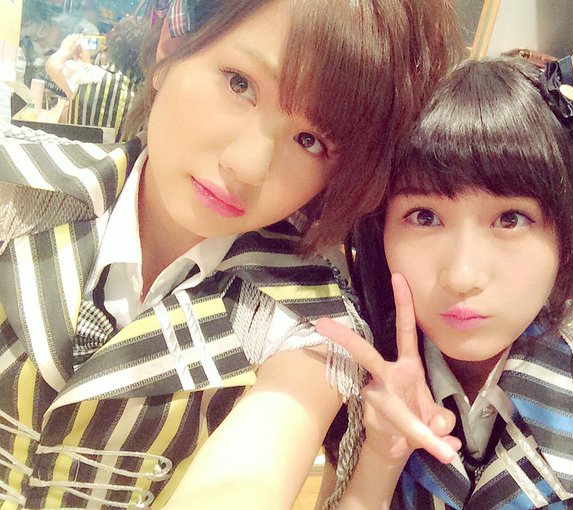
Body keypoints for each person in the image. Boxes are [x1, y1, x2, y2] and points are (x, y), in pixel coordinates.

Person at [0, 0, 462, 508]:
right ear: (173, 44)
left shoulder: (307, 320)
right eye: (240, 84)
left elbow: (248, 481)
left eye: (310, 140)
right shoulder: (17, 189)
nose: (249, 165)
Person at [317, 57, 573, 509]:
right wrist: (379, 459)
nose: (462, 276)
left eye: (511, 219)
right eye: (424, 217)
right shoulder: (353, 386)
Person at [45, 16, 144, 141]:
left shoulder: (89, 77)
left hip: (77, 152)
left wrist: (65, 50)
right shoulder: (144, 97)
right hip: (116, 154)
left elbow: (52, 65)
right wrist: (87, 64)